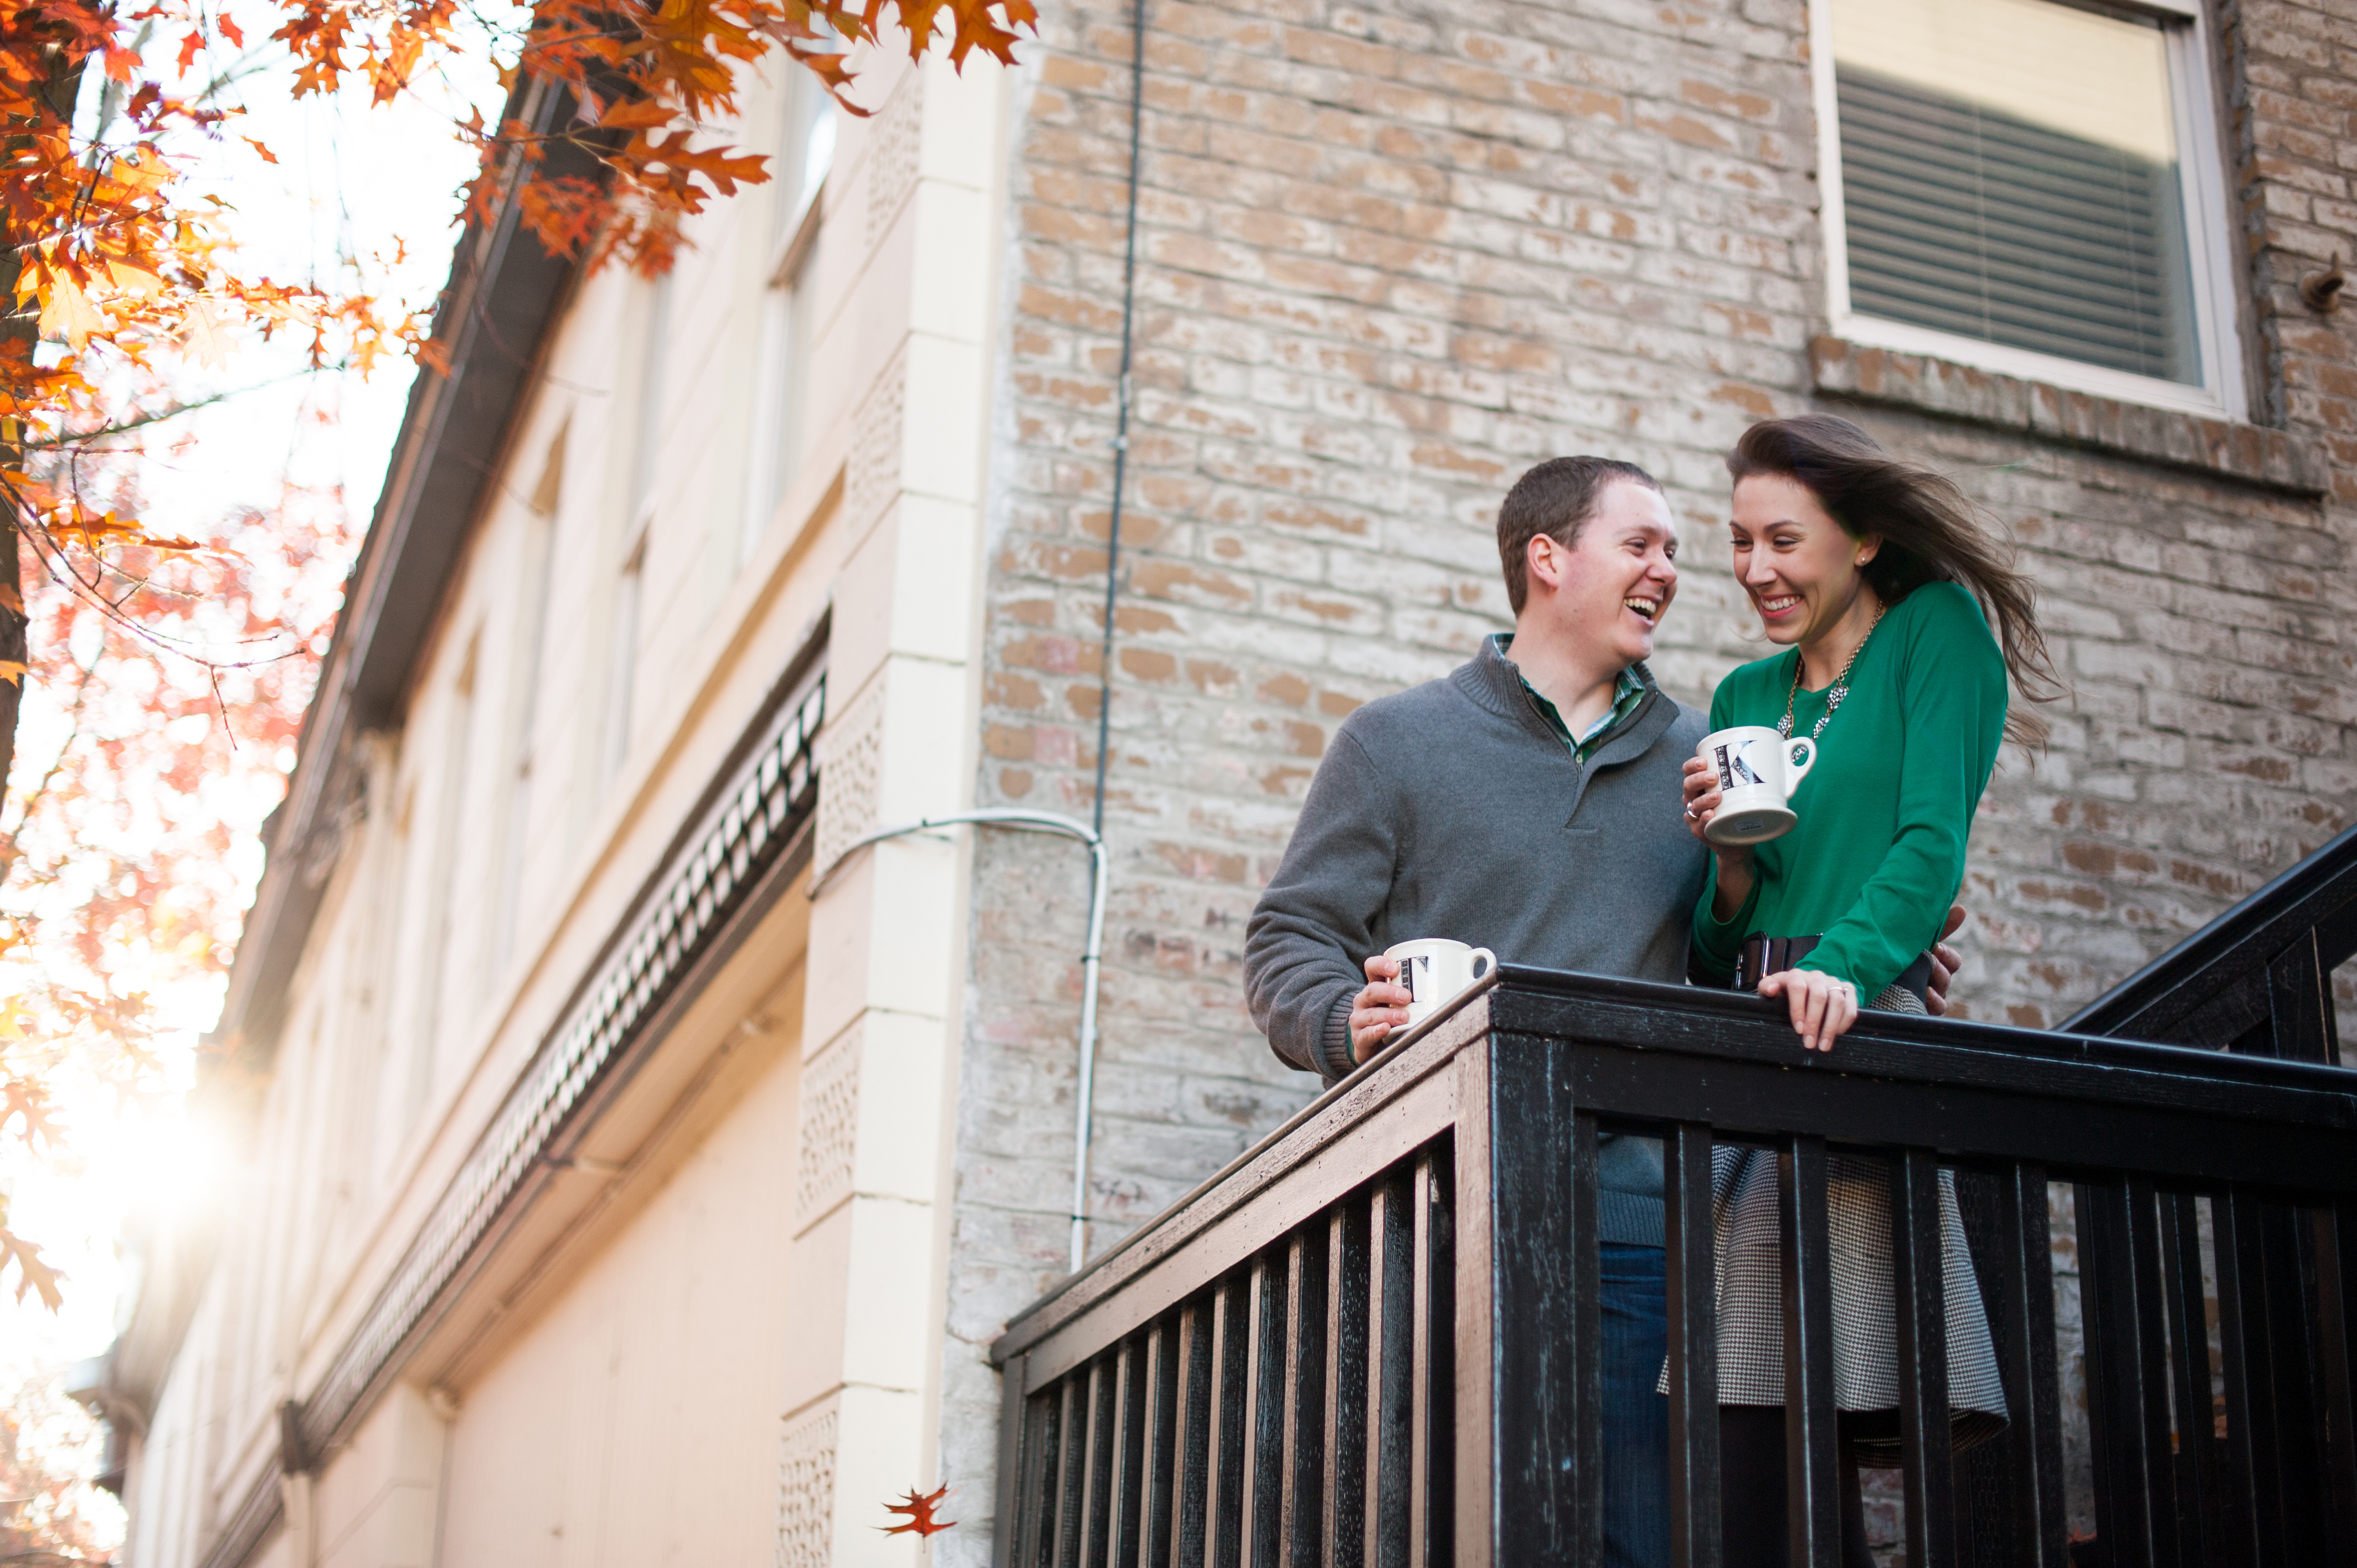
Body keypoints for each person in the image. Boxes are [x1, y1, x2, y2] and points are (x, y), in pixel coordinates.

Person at [1244, 454, 1960, 1568]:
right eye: (1642, 545)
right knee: (1453, 1528)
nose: (1670, 571)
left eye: (1677, 551)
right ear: (1546, 559)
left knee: (1644, 1536)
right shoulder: (1395, 743)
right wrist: (1349, 1021)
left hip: (1647, 1228)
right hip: (1444, 1220)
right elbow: (1289, 940)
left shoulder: (1711, 758)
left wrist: (1875, 945)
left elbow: (1764, 947)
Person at [1678, 414, 2060, 1568]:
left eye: (1782, 540)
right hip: (1748, 1029)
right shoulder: (1746, 689)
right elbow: (1712, 941)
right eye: (1739, 542)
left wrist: (1844, 967)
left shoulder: (1932, 634)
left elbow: (1927, 848)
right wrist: (1730, 861)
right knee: (1745, 1403)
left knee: (1835, 1385)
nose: (1755, 570)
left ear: (1862, 539)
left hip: (1849, 1022)